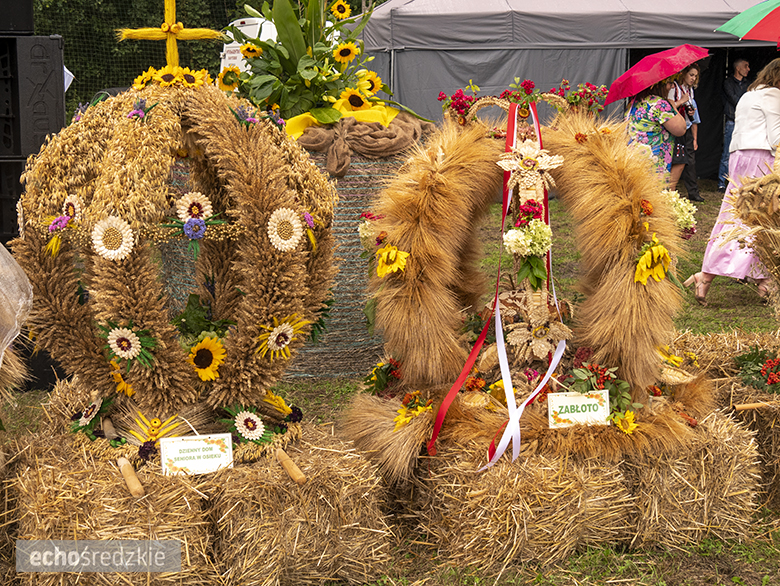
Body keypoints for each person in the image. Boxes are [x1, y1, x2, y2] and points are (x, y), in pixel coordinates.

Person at [684, 58, 780, 306]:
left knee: (739, 215)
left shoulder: (750, 94)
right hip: (761, 158)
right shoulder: (773, 96)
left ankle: (754, 279)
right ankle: (756, 279)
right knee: (757, 218)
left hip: (740, 156)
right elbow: (776, 137)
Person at [626, 77, 687, 178]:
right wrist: (672, 105)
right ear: (658, 85)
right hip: (652, 165)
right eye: (670, 83)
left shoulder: (634, 101)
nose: (672, 86)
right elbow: (681, 129)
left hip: (633, 160)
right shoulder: (659, 104)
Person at [668, 64, 704, 202]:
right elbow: (669, 108)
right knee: (676, 160)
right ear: (684, 74)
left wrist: (690, 110)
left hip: (687, 127)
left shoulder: (689, 90)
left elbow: (694, 118)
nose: (693, 79)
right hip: (675, 128)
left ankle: (693, 192)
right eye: (691, 75)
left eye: (695, 76)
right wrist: (681, 101)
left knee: (690, 160)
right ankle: (669, 190)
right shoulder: (674, 88)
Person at [718, 58, 750, 191]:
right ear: (738, 68)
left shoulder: (749, 84)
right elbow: (735, 99)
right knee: (727, 153)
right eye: (746, 66)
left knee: (743, 153)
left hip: (746, 122)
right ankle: (721, 182)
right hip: (732, 121)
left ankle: (738, 181)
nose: (748, 69)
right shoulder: (728, 82)